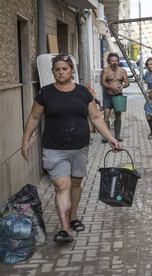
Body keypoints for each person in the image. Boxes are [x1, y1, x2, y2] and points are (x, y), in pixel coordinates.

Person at [21, 54, 120, 243]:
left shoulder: (83, 93)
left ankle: (73, 216)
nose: (60, 72)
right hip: (54, 148)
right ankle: (64, 229)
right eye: (57, 69)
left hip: (79, 148)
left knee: (75, 185)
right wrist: (25, 140)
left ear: (71, 70)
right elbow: (34, 117)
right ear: (52, 72)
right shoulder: (45, 93)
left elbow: (96, 117)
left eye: (64, 68)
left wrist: (110, 138)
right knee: (61, 185)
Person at [100, 53, 129, 143]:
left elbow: (127, 82)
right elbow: (103, 82)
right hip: (107, 96)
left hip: (118, 96)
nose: (114, 62)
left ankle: (117, 135)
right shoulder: (105, 71)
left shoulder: (122, 71)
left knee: (118, 116)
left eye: (116, 61)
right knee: (106, 116)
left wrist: (122, 86)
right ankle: (106, 136)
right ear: (109, 62)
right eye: (112, 61)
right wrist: (111, 87)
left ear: (118, 61)